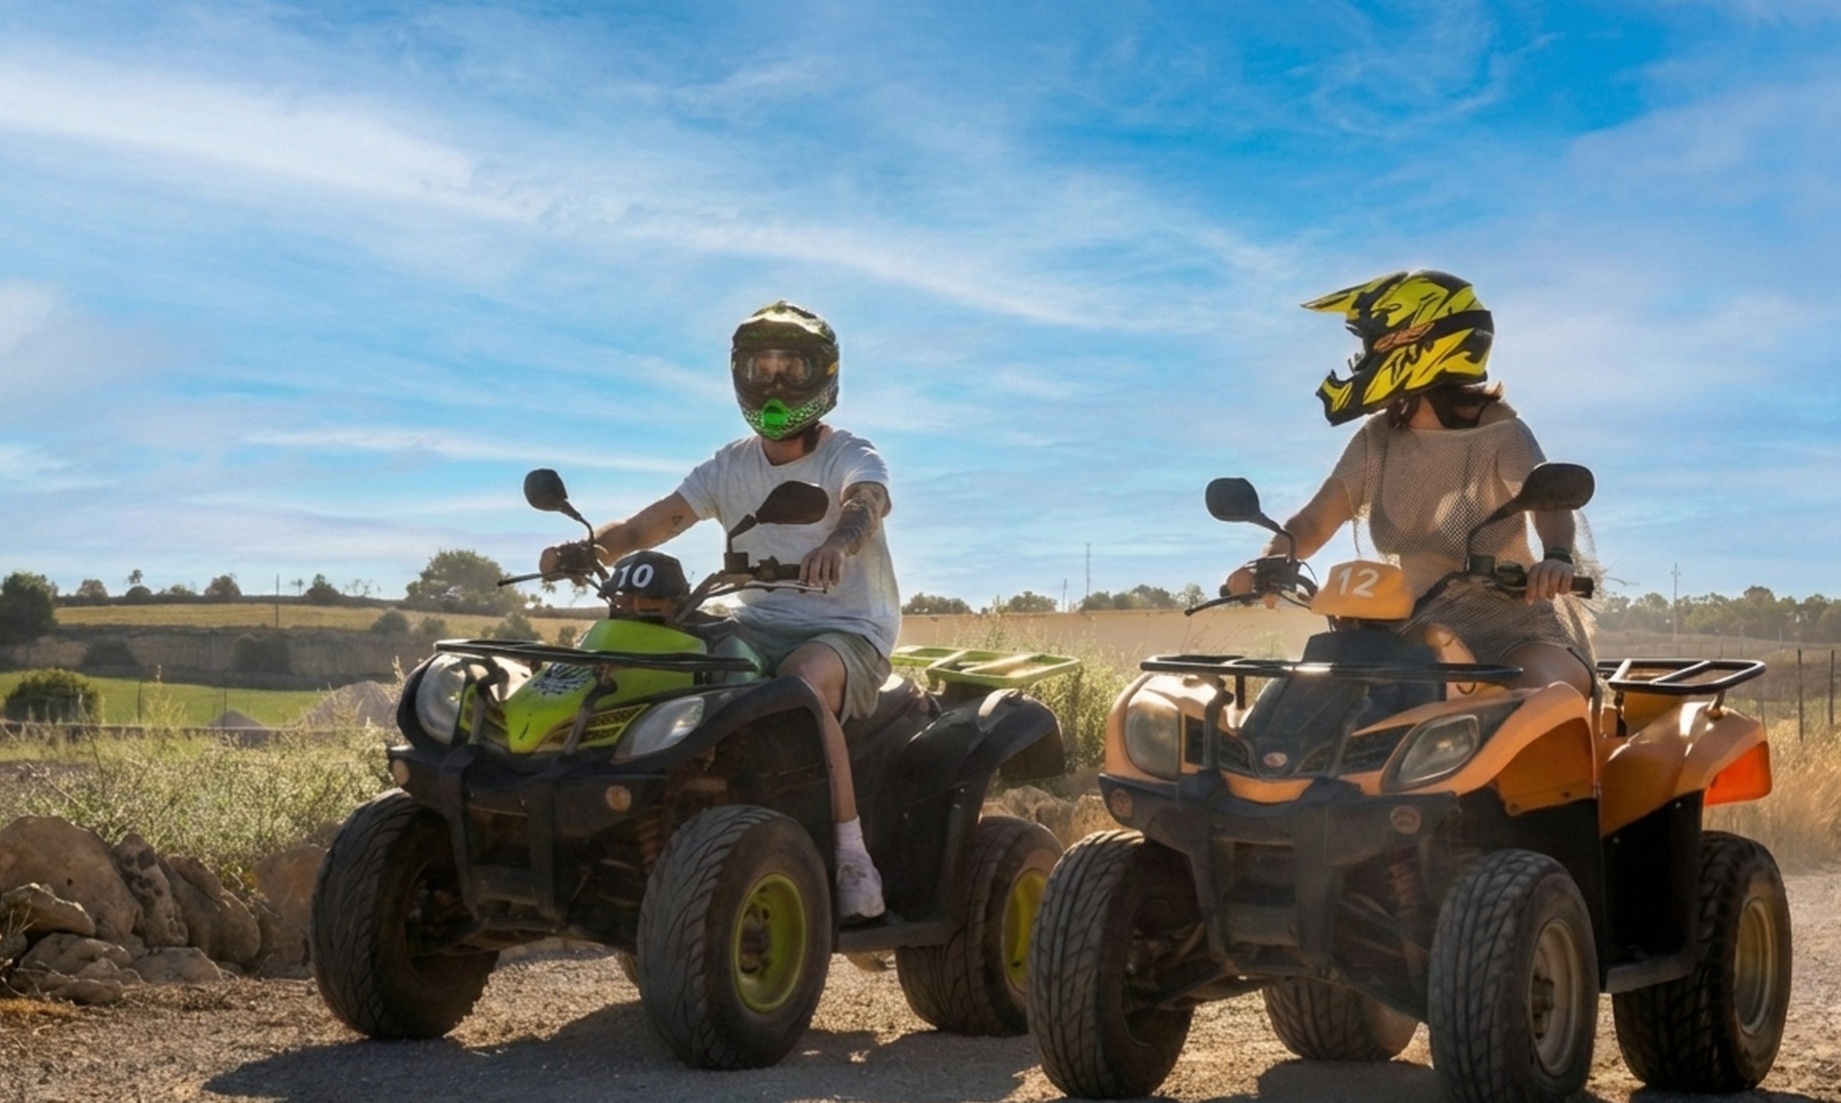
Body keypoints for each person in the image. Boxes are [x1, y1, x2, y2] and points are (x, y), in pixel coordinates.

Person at [542, 301, 900, 920]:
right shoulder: (729, 465)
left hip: (846, 629)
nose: (776, 384)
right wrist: (590, 548)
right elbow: (652, 523)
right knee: (661, 651)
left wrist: (838, 545)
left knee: (801, 683)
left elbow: (866, 501)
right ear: (741, 375)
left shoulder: (848, 453)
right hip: (752, 621)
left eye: (792, 368)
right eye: (762, 368)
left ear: (822, 374)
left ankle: (851, 856)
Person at [1224, 270, 1595, 696]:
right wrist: (1271, 561)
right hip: (1413, 633)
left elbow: (1550, 503)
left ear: (1420, 344)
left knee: (1531, 693)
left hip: (1515, 630)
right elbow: (1313, 522)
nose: (1362, 360)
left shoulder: (1500, 433)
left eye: (1374, 345)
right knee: (1326, 697)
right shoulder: (1377, 440)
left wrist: (1557, 556)